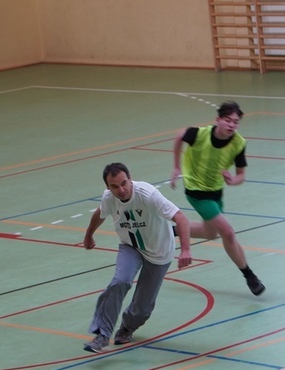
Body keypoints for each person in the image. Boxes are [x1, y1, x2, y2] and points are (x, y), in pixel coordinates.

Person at [82, 162, 192, 353]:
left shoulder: (148, 194)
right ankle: (102, 334)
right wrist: (89, 234)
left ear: (130, 178)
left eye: (124, 183)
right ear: (108, 187)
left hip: (159, 252)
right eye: (114, 186)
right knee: (120, 282)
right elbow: (100, 213)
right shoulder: (109, 198)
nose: (121, 190)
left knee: (143, 307)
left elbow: (181, 218)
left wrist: (186, 250)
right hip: (131, 247)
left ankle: (127, 328)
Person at [171, 100, 265, 296]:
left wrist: (233, 181)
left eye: (236, 122)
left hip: (216, 191)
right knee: (228, 232)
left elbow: (241, 175)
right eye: (228, 120)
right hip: (196, 191)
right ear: (218, 120)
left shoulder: (239, 143)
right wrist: (177, 166)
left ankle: (171, 230)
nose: (232, 125)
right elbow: (179, 135)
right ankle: (249, 276)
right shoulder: (200, 134)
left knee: (210, 233)